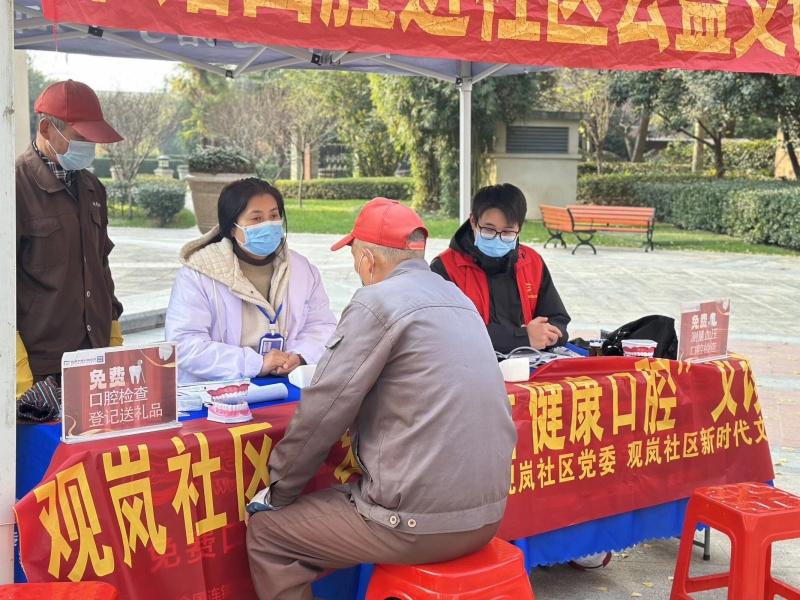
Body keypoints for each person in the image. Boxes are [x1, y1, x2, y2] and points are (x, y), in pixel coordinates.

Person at [246, 198, 517, 600]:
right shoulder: (459, 300)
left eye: (356, 260)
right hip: (488, 516)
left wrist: (279, 491)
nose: (358, 270)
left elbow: (325, 407)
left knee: (270, 532)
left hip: (416, 524)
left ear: (368, 259)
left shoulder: (375, 302)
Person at [16, 80, 124, 403]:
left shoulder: (92, 188)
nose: (90, 147)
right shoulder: (13, 187)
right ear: (46, 129)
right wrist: (17, 367)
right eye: (82, 138)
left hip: (95, 358)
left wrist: (113, 332)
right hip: (40, 366)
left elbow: (101, 266)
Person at [166, 178, 336, 383]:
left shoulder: (303, 269)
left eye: (274, 216)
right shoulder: (198, 273)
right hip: (218, 390)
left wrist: (300, 356)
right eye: (256, 218)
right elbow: (184, 343)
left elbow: (322, 326)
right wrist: (255, 364)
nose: (268, 224)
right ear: (232, 227)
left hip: (287, 382)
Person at [431, 183, 570, 354]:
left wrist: (549, 335)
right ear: (473, 221)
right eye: (489, 230)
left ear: (519, 229)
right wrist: (522, 338)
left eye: (507, 232)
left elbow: (557, 318)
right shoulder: (445, 268)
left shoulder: (532, 262)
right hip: (471, 363)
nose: (497, 238)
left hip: (530, 363)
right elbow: (448, 331)